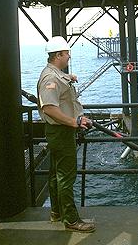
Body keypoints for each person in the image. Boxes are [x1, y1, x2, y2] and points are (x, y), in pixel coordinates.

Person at [37, 36, 95, 233]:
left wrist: (69, 78)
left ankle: (57, 212)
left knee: (55, 174)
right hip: (61, 132)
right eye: (67, 53)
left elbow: (56, 90)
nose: (69, 56)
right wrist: (74, 122)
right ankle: (71, 219)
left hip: (58, 132)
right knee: (66, 176)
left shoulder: (55, 75)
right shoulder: (51, 79)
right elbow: (50, 109)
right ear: (58, 55)